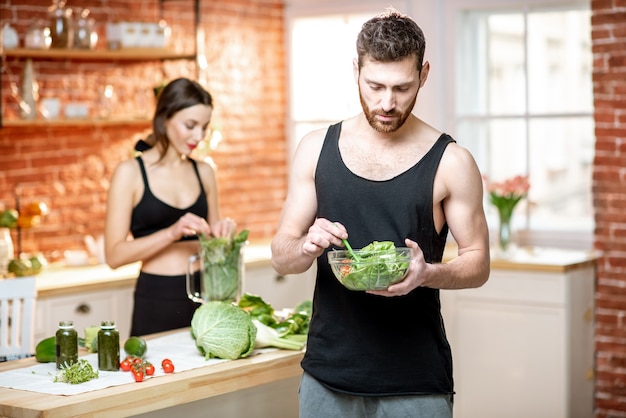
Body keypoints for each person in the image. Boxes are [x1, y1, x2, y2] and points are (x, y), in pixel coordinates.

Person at [271, 8, 490, 418]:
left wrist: (428, 274)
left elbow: (478, 263)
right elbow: (281, 256)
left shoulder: (452, 161)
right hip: (326, 377)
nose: (387, 103)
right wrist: (306, 245)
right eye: (374, 86)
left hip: (415, 383)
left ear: (423, 75)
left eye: (402, 88)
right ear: (356, 69)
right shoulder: (315, 148)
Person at [105, 77, 235, 337]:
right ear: (165, 118)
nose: (198, 136)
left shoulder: (204, 172)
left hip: (206, 296)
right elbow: (114, 256)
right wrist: (171, 232)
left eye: (204, 127)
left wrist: (223, 238)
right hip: (157, 298)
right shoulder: (130, 173)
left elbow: (214, 250)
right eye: (190, 125)